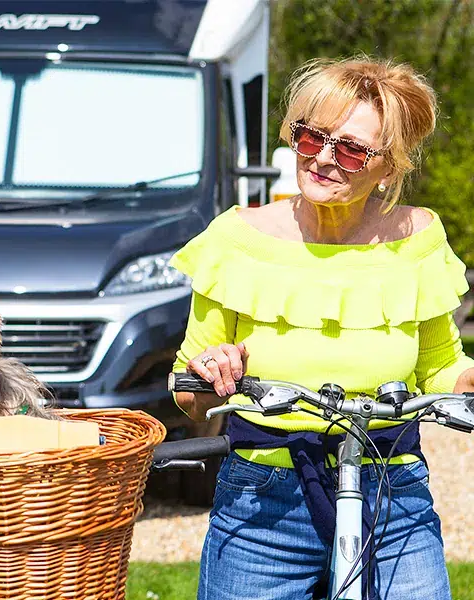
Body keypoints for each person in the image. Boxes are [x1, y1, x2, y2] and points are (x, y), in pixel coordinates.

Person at [170, 56, 474, 600]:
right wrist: (207, 370)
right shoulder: (238, 240)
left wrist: (465, 383)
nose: (324, 160)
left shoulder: (419, 239)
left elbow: (441, 368)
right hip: (262, 502)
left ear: (390, 166)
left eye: (353, 148)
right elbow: (187, 391)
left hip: (392, 494)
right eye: (311, 139)